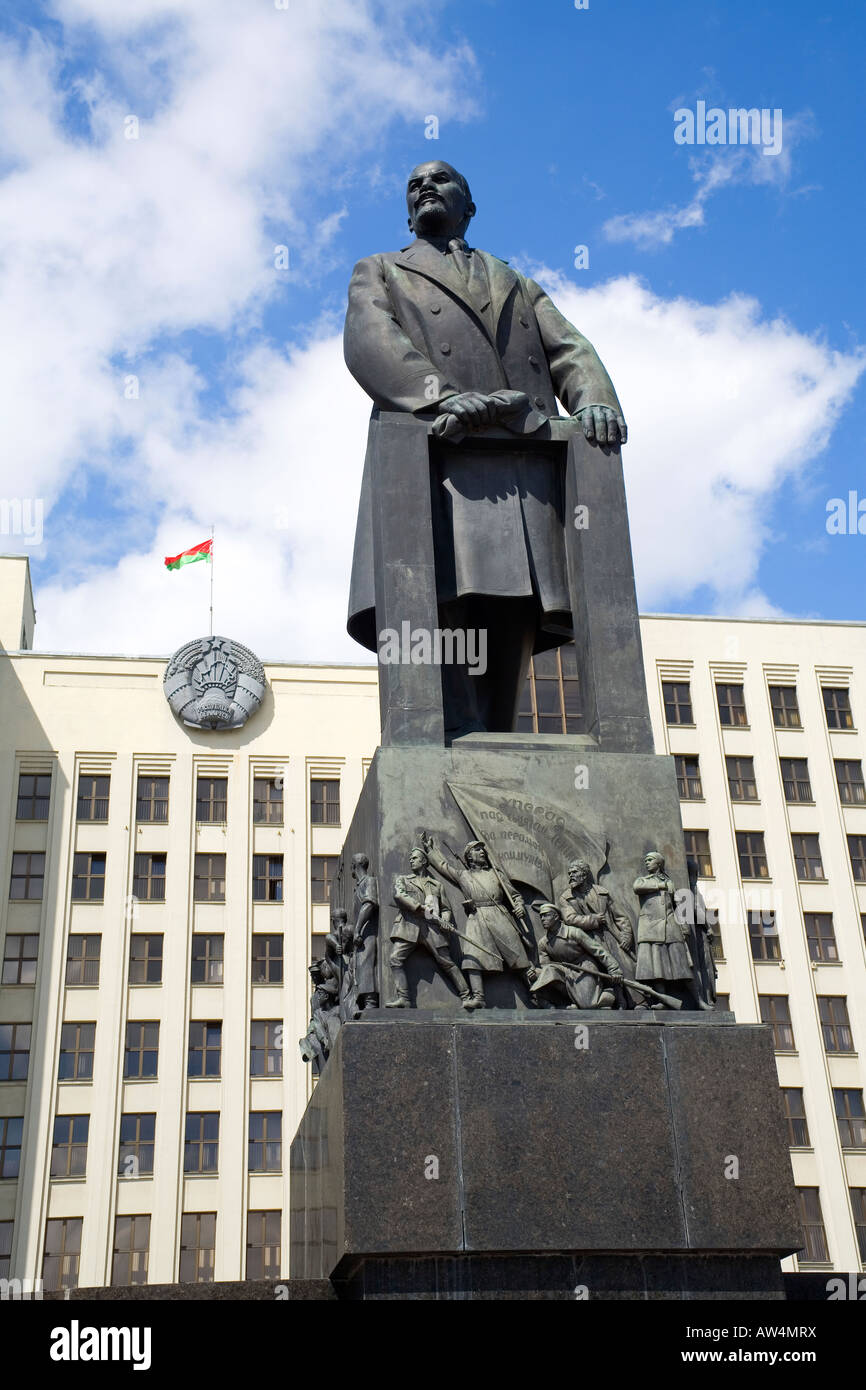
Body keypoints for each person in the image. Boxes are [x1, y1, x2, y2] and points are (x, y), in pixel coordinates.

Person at [344, 160, 627, 735]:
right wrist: (440, 395)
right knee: (441, 603)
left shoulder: (514, 281)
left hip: (522, 474)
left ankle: (496, 746)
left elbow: (569, 349)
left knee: (514, 607)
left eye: (440, 179)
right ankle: (451, 745)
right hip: (437, 469)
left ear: (469, 205)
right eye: (414, 184)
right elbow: (369, 340)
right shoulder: (381, 270)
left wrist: (593, 397)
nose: (425, 186)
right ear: (408, 211)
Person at [419, 832, 534, 1008]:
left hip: (499, 915)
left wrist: (519, 906)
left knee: (518, 958)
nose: (482, 852)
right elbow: (443, 866)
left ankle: (538, 995)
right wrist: (430, 850)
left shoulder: (496, 874)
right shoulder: (464, 875)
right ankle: (479, 998)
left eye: (482, 850)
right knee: (473, 956)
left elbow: (514, 895)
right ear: (469, 856)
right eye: (477, 850)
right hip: (477, 917)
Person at [388, 845, 473, 1008]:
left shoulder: (436, 885)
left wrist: (445, 920)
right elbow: (398, 895)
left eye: (415, 858)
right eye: (410, 858)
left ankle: (466, 996)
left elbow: (446, 908)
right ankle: (403, 998)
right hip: (409, 926)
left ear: (424, 861)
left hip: (432, 928)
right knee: (395, 959)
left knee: (447, 962)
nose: (411, 860)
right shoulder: (404, 880)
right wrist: (419, 907)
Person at [558, 858, 643, 1009]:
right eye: (569, 873)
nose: (571, 875)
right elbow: (570, 919)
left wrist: (626, 935)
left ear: (584, 875)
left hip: (609, 937)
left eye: (575, 872)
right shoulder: (566, 897)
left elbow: (620, 916)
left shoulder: (601, 893)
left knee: (625, 967)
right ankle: (615, 1001)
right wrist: (593, 920)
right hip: (585, 942)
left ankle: (639, 1002)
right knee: (603, 973)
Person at [532, 902, 623, 1008]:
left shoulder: (574, 932)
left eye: (546, 915)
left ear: (556, 916)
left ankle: (607, 994)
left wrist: (614, 969)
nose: (542, 919)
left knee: (587, 1006)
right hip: (565, 971)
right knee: (546, 973)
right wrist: (535, 972)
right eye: (541, 916)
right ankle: (556, 1003)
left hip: (584, 968)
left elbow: (598, 951)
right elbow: (545, 966)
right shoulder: (543, 943)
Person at [632, 851, 694, 1007]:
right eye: (646, 860)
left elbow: (677, 904)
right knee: (656, 965)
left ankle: (698, 1000)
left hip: (670, 925)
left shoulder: (670, 881)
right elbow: (637, 887)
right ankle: (662, 999)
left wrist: (684, 926)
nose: (647, 862)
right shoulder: (644, 880)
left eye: (650, 860)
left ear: (659, 863)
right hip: (651, 928)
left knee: (682, 965)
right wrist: (660, 885)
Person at [351, 852, 379, 1011]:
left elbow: (369, 904)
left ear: (355, 866)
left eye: (351, 867)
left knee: (366, 963)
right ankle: (364, 1002)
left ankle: (371, 1002)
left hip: (367, 931)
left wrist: (357, 930)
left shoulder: (369, 881)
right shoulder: (359, 885)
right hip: (362, 932)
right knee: (361, 965)